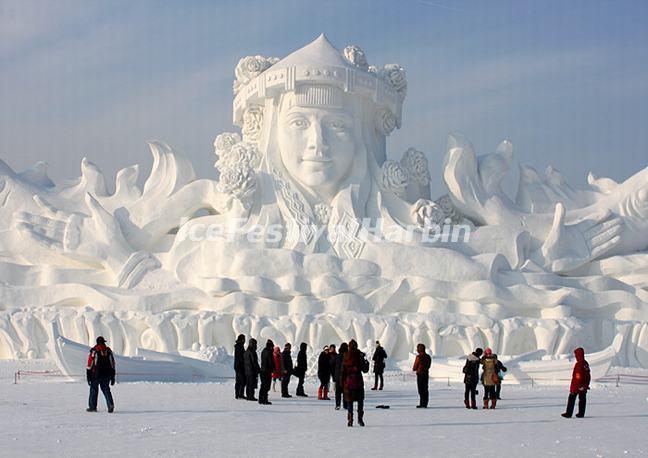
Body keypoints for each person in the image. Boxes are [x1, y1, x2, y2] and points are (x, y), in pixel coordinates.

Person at [341, 339, 369, 426]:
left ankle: (350, 420)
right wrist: (366, 362)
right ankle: (360, 419)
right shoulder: (359, 355)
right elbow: (365, 370)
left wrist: (342, 383)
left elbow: (343, 371)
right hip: (358, 381)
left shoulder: (345, 355)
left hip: (348, 382)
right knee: (360, 401)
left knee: (350, 402)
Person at [86, 336, 116, 413]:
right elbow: (113, 364)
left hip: (96, 374)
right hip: (107, 374)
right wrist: (113, 376)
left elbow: (90, 364)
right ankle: (110, 405)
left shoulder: (94, 351)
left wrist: (88, 375)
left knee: (94, 390)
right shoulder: (108, 351)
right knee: (106, 389)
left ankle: (92, 407)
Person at [562, 347, 591, 418]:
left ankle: (568, 413)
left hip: (577, 386)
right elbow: (588, 375)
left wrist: (579, 386)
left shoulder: (579, 364)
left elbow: (578, 376)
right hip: (584, 385)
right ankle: (581, 413)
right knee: (582, 399)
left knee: (571, 399)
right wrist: (586, 385)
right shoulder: (585, 363)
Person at [412, 343, 431, 408]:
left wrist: (415, 368)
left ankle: (422, 403)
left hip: (420, 374)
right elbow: (429, 366)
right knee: (425, 388)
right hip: (426, 374)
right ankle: (425, 403)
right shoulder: (428, 357)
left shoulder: (418, 357)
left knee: (421, 389)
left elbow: (414, 367)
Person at [259, 339, 274, 405]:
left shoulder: (263, 351)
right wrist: (273, 369)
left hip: (262, 370)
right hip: (267, 371)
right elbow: (270, 362)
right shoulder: (269, 352)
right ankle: (264, 399)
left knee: (263, 385)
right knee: (266, 386)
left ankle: (260, 399)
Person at [334, 342, 348, 410]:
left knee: (338, 392)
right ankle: (345, 405)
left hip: (338, 377)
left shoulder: (337, 356)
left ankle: (338, 404)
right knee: (345, 391)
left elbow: (331, 362)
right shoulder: (347, 356)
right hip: (345, 377)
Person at [234, 334, 246, 399]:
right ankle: (240, 394)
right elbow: (241, 357)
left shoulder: (238, 346)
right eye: (244, 339)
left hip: (237, 366)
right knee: (243, 381)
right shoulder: (240, 346)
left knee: (238, 381)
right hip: (240, 366)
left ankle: (237, 394)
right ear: (242, 340)